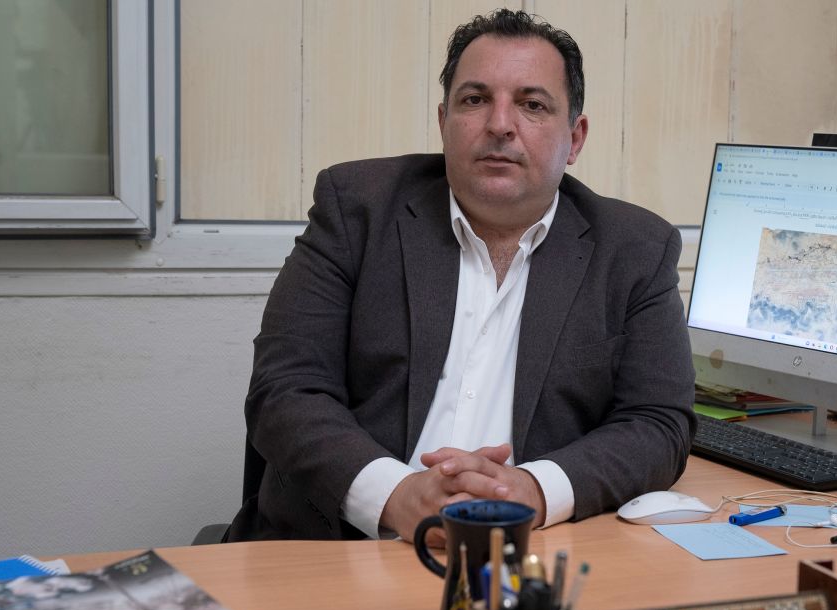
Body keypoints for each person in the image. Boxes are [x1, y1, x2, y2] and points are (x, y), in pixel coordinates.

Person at [226, 8, 695, 543]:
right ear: (444, 120)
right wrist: (396, 497)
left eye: (532, 105)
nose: (500, 125)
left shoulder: (634, 248)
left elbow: (658, 423)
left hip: (529, 549)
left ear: (576, 137)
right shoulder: (357, 209)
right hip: (339, 546)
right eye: (475, 100)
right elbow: (285, 390)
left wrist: (532, 491)